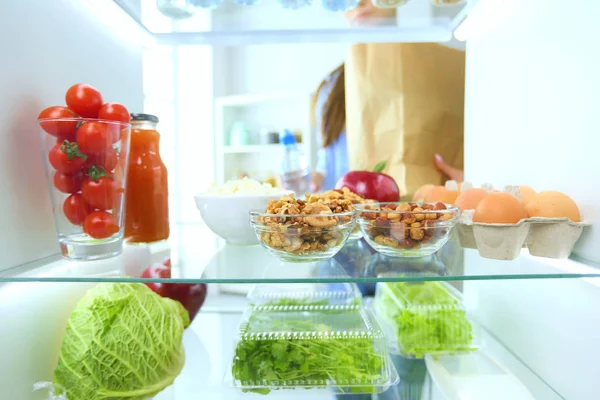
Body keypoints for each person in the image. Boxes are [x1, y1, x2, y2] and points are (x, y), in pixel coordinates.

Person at [310, 0, 464, 194]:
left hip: (426, 212)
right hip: (354, 217)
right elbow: (329, 167)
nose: (360, 3)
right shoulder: (330, 88)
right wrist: (311, 180)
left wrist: (469, 178)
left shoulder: (442, 72)